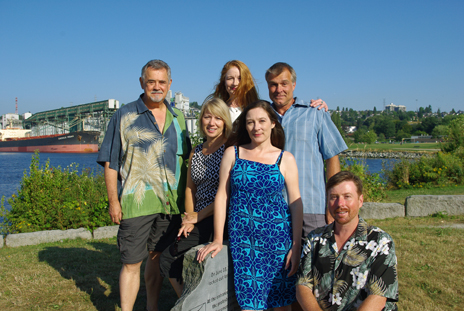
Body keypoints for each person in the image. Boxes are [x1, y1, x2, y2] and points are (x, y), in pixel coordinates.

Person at [97, 59, 191, 311]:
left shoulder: (178, 117)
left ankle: (152, 307)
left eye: (162, 82)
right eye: (151, 82)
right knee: (131, 263)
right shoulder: (124, 115)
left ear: (170, 84)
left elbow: (187, 162)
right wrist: (113, 201)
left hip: (170, 205)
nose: (157, 87)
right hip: (136, 204)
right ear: (142, 83)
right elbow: (110, 162)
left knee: (156, 257)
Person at [198, 100, 304, 311]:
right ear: (245, 126)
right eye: (250, 122)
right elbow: (222, 196)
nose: (256, 127)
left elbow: (295, 203)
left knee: (281, 302)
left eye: (262, 121)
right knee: (249, 304)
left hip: (278, 241)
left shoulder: (286, 159)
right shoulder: (233, 154)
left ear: (273, 123)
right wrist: (218, 238)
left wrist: (296, 243)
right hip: (245, 242)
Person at [265, 62, 348, 239]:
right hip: (270, 209)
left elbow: (332, 158)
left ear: (294, 85)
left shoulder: (315, 113)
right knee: (277, 265)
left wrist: (331, 203)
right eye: (273, 84)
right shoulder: (261, 117)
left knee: (315, 262)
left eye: (284, 83)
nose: (279, 89)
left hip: (311, 208)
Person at [159, 97, 232, 297]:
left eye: (218, 118)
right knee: (168, 260)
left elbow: (227, 192)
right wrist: (188, 218)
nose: (212, 122)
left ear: (225, 121)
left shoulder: (231, 150)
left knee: (173, 258)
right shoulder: (196, 152)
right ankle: (190, 303)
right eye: (207, 117)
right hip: (197, 218)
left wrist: (198, 217)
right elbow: (190, 188)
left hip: (219, 218)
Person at [296, 171, 399, 310]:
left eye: (347, 197)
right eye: (334, 197)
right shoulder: (315, 239)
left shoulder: (381, 242)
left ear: (360, 200)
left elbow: (378, 297)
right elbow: (302, 286)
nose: (340, 203)